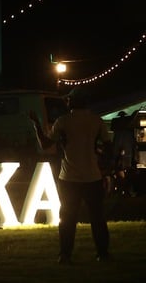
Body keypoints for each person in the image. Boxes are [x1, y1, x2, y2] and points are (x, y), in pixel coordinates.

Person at [29, 95, 112, 264]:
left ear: (71, 103)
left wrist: (36, 123)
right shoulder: (97, 121)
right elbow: (108, 146)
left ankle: (65, 254)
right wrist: (102, 165)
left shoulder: (63, 121)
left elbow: (45, 145)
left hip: (69, 178)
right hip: (92, 176)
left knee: (67, 218)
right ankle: (102, 254)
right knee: (98, 218)